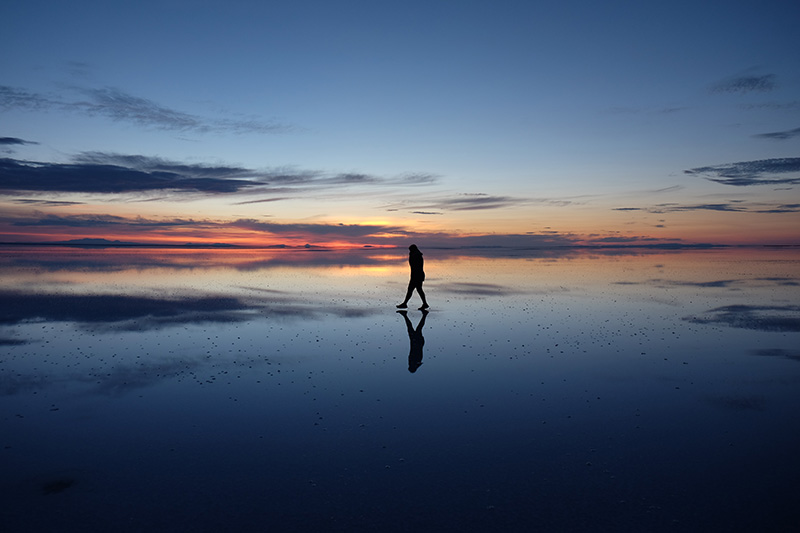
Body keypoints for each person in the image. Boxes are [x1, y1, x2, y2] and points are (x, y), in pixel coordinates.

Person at [396, 244, 429, 310]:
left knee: (412, 290)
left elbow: (415, 266)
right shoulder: (417, 255)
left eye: (410, 250)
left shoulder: (416, 256)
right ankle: (424, 304)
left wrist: (410, 256)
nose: (410, 251)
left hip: (417, 276)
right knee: (417, 290)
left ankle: (405, 303)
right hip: (417, 275)